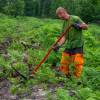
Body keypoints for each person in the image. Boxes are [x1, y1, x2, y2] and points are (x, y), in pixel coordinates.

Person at [53, 7, 88, 78]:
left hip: (78, 44)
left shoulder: (75, 18)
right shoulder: (64, 23)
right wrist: (58, 45)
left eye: (60, 15)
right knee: (64, 61)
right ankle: (66, 76)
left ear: (64, 12)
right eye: (58, 16)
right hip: (69, 45)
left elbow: (86, 27)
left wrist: (79, 26)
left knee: (78, 62)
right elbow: (64, 37)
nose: (60, 17)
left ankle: (77, 79)